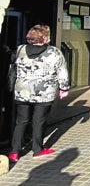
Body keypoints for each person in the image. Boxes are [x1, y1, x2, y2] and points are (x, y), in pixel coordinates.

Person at [8, 24, 70, 163]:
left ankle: (14, 152)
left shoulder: (20, 49)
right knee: (39, 121)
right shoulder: (54, 52)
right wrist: (64, 88)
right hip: (44, 92)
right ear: (45, 37)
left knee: (21, 121)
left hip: (22, 91)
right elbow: (62, 71)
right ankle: (37, 149)